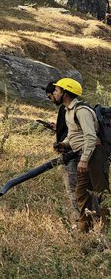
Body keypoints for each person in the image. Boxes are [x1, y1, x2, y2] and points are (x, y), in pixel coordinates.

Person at [47, 78, 108, 233]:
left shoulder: (82, 111)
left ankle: (106, 232)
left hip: (94, 155)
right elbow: (75, 135)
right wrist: (64, 143)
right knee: (81, 193)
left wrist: (84, 160)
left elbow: (90, 137)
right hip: (83, 155)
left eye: (57, 90)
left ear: (65, 93)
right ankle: (84, 229)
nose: (54, 93)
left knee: (102, 194)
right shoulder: (69, 111)